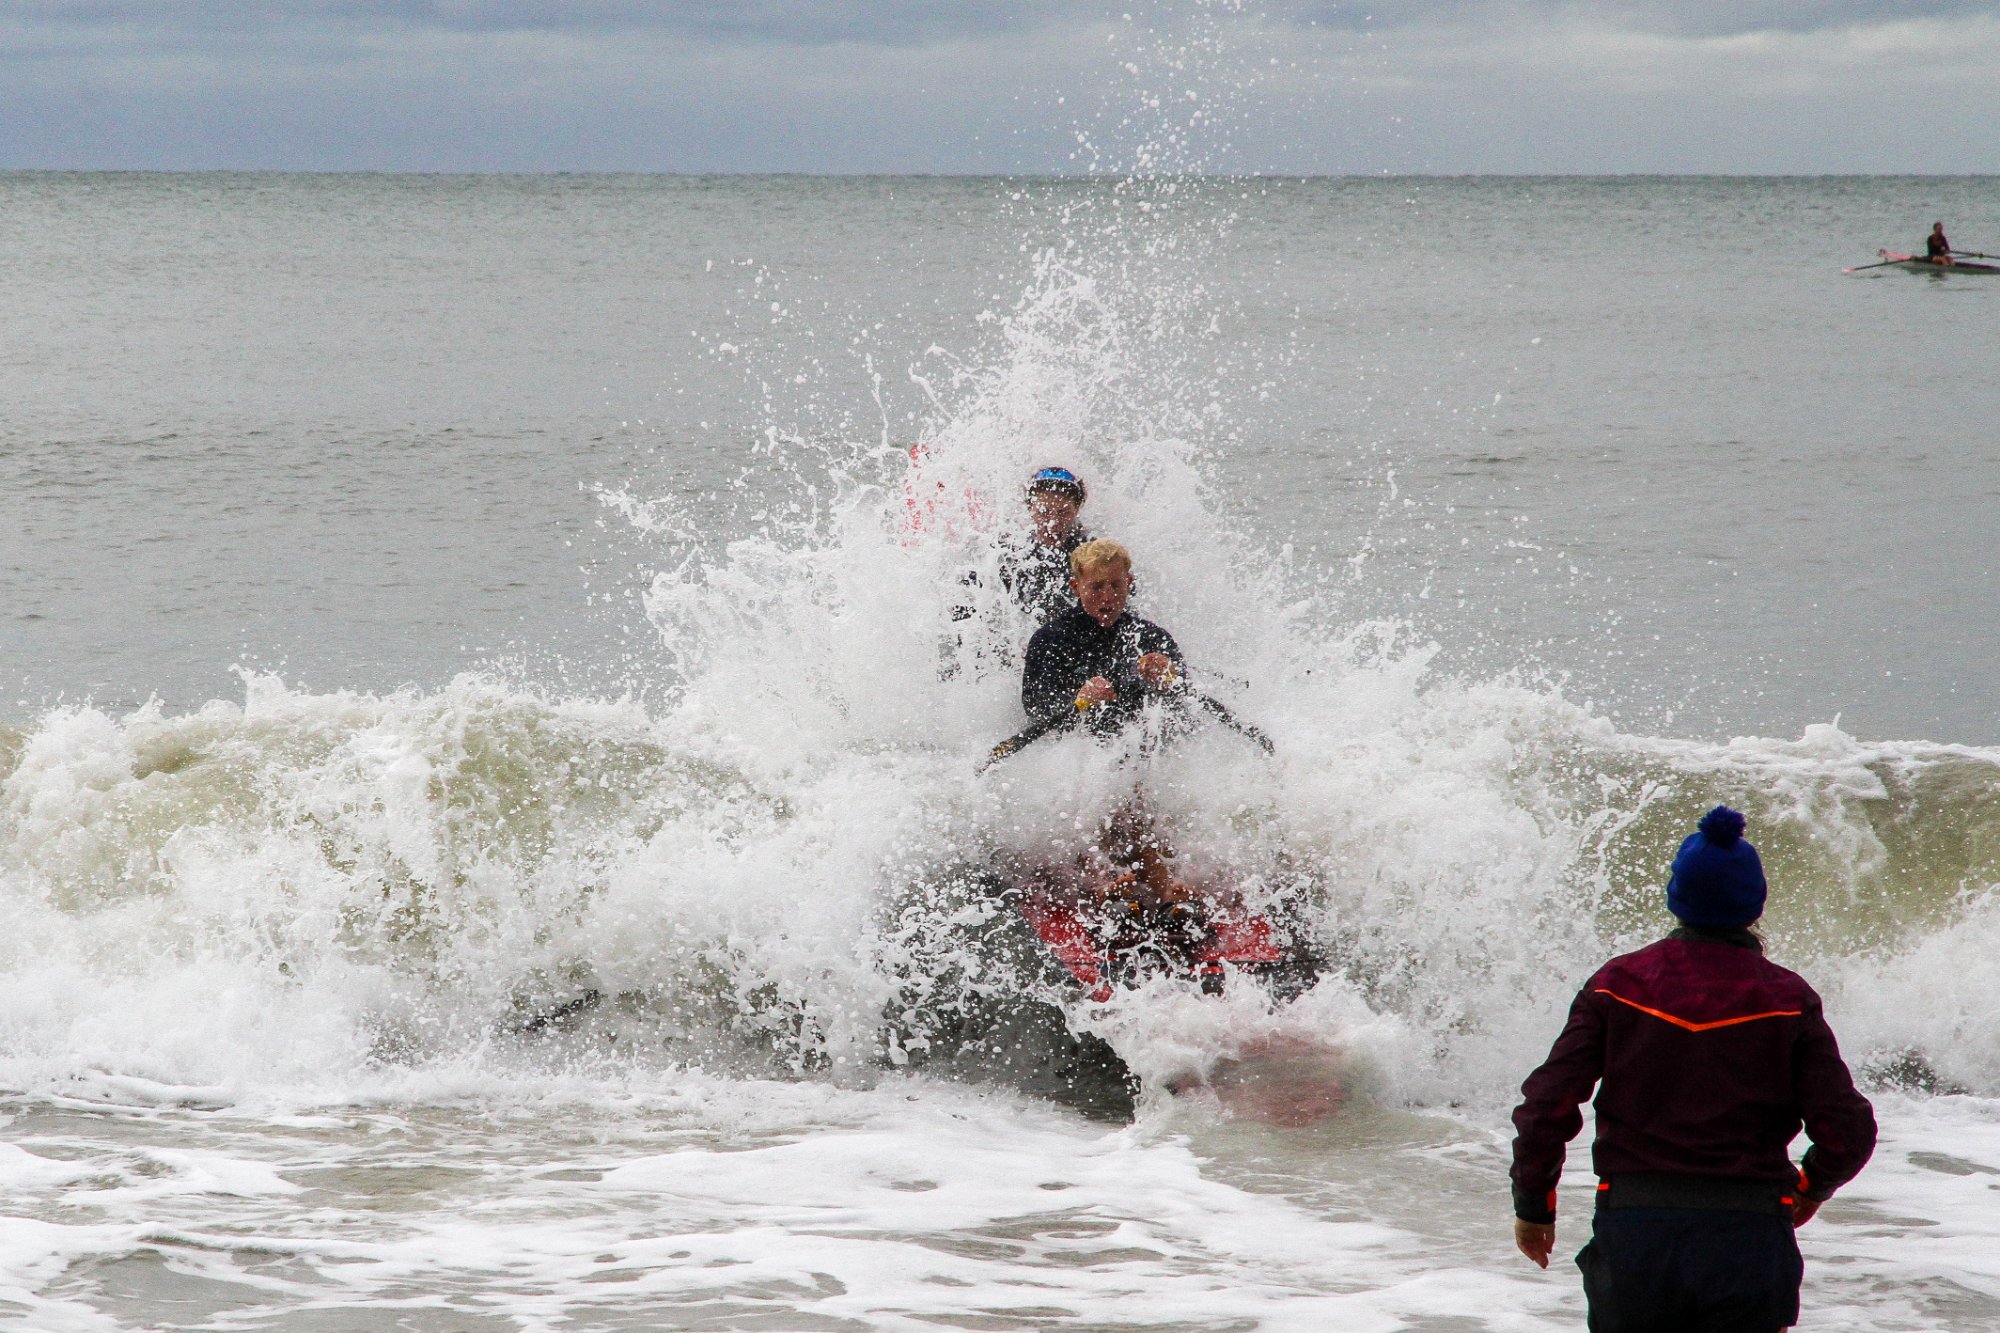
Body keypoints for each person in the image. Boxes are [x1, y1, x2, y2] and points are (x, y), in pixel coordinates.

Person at [1509, 805, 1877, 1333]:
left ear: (1677, 898)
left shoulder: (1618, 984)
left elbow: (1545, 1106)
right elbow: (1848, 1131)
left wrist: (1533, 1207)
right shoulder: (1788, 998)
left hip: (1637, 1236)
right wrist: (1811, 1186)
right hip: (1748, 1238)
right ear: (1755, 905)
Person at [998, 466, 1093, 624]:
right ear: (1030, 508)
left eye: (1063, 513)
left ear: (1077, 509)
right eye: (1044, 512)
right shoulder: (1012, 553)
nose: (1053, 523)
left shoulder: (1092, 554)